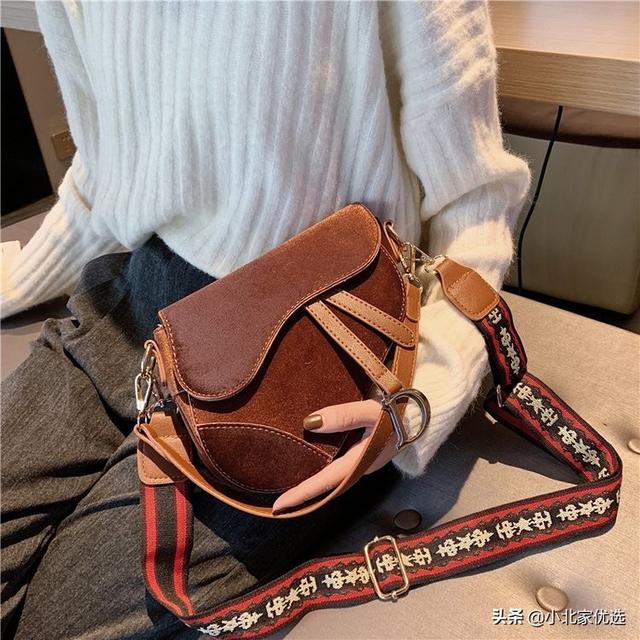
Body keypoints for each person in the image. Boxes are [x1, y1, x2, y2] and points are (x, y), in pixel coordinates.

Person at [1, 1, 530, 637]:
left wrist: (421, 398)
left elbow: (477, 202)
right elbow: (107, 168)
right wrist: (14, 283)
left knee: (55, 625)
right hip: (131, 310)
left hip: (310, 356)